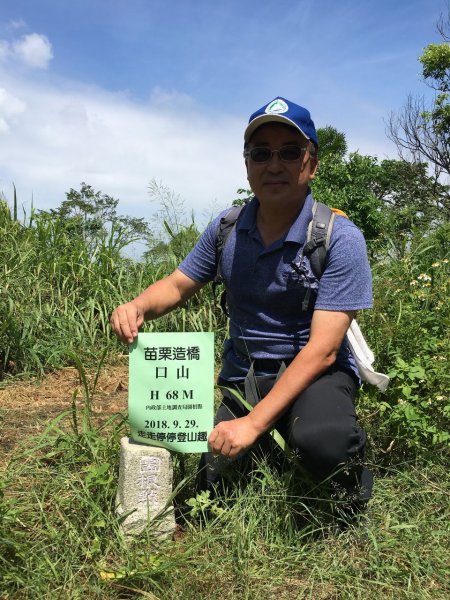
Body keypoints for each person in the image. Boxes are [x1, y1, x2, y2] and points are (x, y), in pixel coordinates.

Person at [110, 96, 373, 508]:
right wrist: (138, 306)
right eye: (260, 153)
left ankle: (345, 472)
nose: (274, 164)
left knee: (323, 442)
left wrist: (253, 423)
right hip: (244, 375)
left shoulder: (339, 238)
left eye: (290, 152)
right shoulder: (227, 228)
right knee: (210, 485)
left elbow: (323, 351)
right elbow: (179, 285)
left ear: (312, 163)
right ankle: (268, 440)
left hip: (316, 375)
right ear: (247, 163)